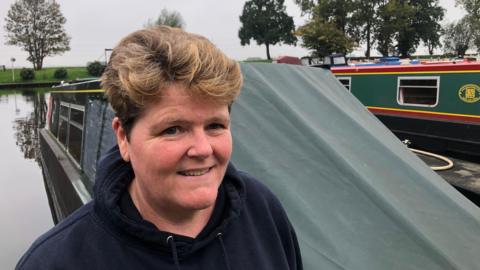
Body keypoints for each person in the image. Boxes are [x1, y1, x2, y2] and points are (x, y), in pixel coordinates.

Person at [16, 26, 302, 270]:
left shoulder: (263, 210)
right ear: (123, 138)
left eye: (215, 126)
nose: (202, 149)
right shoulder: (55, 262)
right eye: (173, 129)